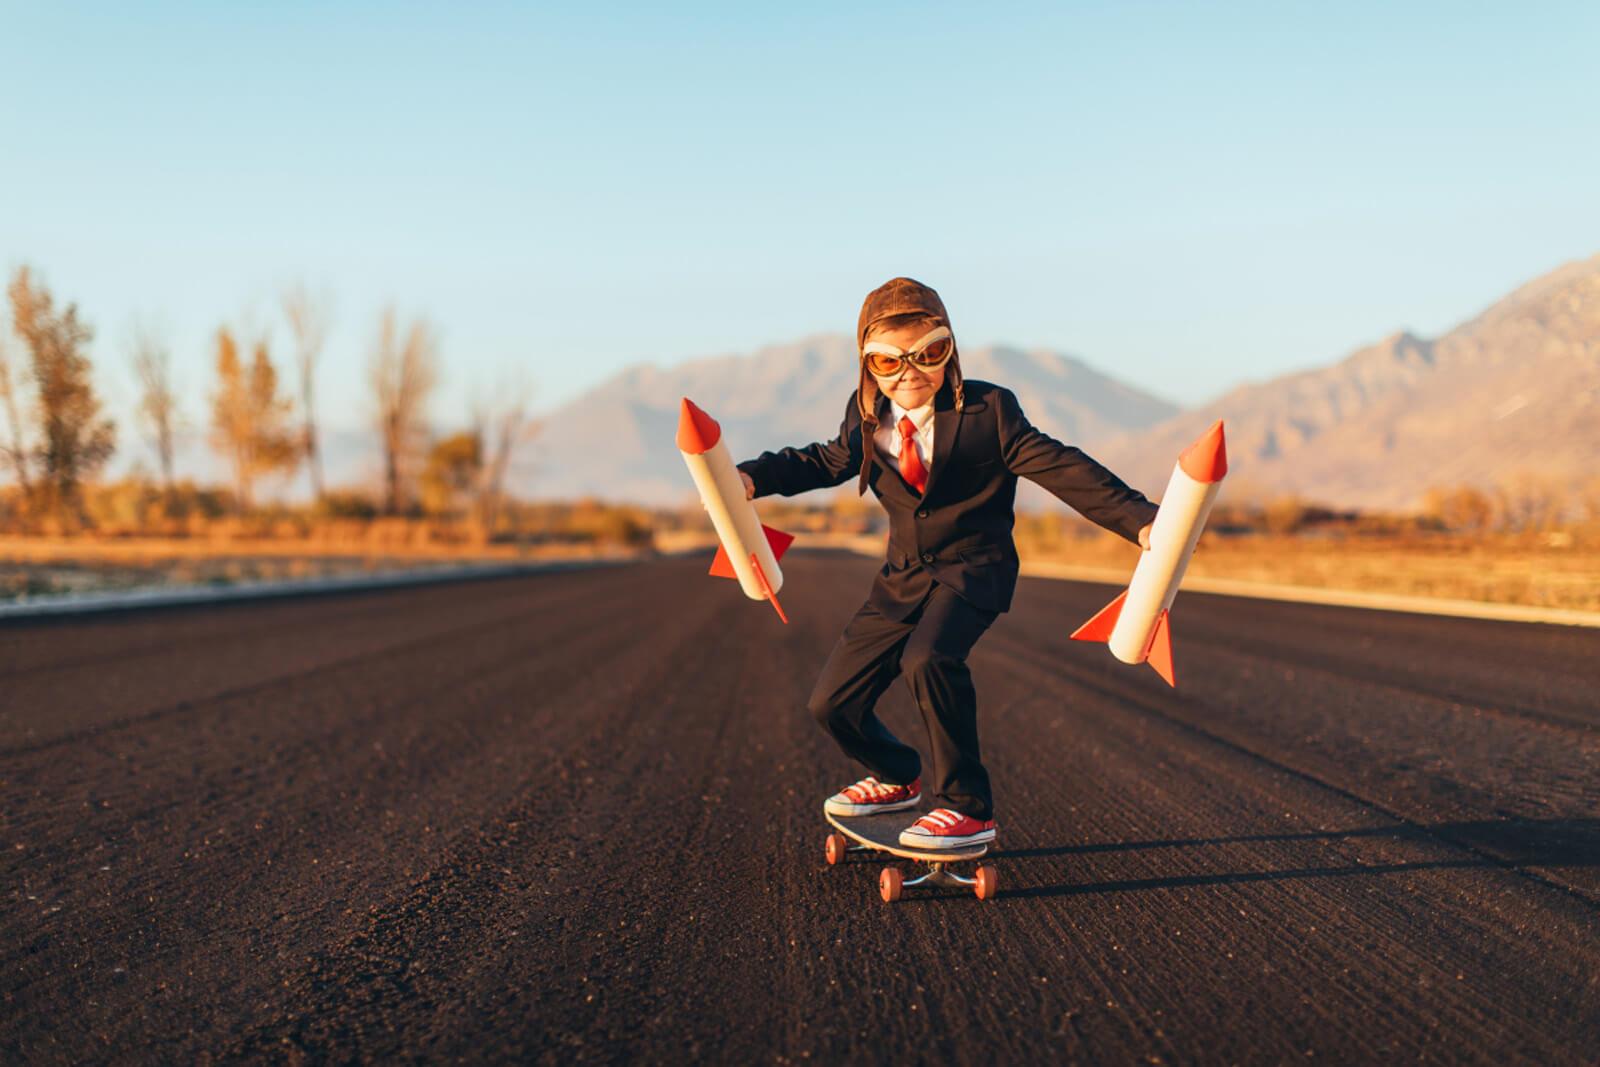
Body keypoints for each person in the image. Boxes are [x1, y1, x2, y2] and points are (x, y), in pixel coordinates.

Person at [736, 277, 1155, 849]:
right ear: (868, 367)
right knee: (831, 703)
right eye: (888, 361)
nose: (909, 372)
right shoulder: (865, 417)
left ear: (951, 352)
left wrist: (1142, 519)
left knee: (929, 659)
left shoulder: (990, 411)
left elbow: (1063, 467)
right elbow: (824, 461)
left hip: (972, 571)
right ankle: (895, 774)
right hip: (901, 580)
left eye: (928, 353)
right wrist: (751, 477)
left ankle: (966, 806)